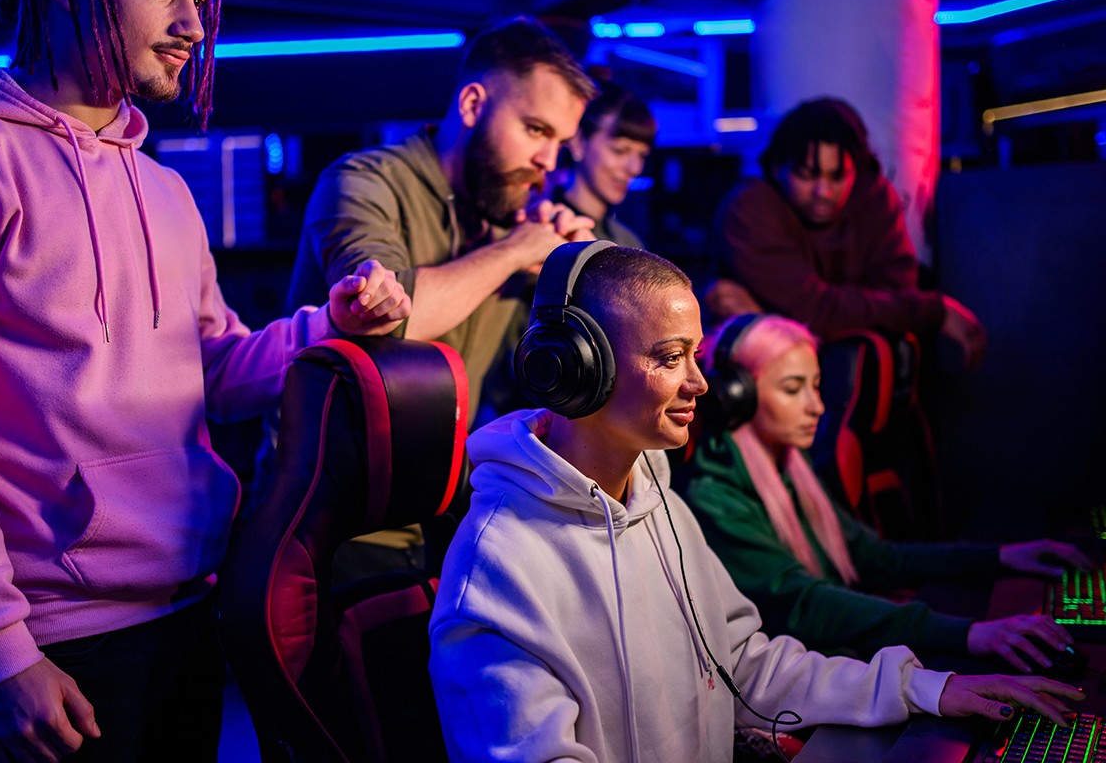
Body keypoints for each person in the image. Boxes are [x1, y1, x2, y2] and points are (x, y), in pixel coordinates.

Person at [0, 0, 409, 761]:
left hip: (186, 616)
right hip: (52, 642)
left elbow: (213, 368)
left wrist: (328, 326)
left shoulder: (165, 189)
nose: (195, 27)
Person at [428, 242, 1080, 763]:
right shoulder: (498, 573)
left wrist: (930, 687)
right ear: (576, 368)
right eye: (669, 357)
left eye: (697, 355)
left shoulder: (661, 505)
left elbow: (744, 665)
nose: (699, 382)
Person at [681, 313, 1091, 670]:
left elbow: (877, 557)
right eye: (793, 389)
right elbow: (805, 603)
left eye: (817, 385)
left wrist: (1002, 557)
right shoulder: (712, 496)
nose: (817, 407)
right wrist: (970, 635)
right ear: (736, 396)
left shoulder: (788, 464)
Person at [285, 15, 599, 419]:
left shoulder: (509, 213)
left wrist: (570, 275)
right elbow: (384, 317)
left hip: (449, 476)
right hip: (326, 476)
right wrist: (515, 251)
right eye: (536, 130)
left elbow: (534, 380)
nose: (549, 161)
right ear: (472, 105)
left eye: (560, 142)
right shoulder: (362, 181)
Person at [707, 97, 986, 368]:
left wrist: (776, 316)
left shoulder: (875, 196)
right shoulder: (749, 208)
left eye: (838, 176)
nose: (823, 191)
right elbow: (813, 308)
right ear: (778, 167)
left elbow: (894, 292)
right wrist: (929, 310)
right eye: (806, 175)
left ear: (858, 172)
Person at [551, 79, 653, 248]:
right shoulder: (544, 231)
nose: (635, 168)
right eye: (619, 150)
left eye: (642, 155)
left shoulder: (628, 243)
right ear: (578, 143)